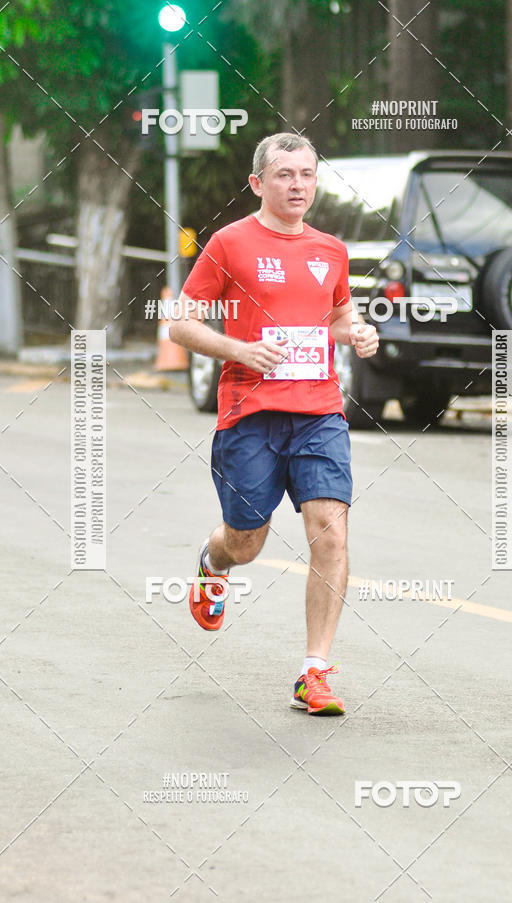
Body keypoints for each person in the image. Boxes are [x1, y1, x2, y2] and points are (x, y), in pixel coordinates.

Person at [170, 132, 378, 716]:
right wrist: (237, 349)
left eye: (307, 175)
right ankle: (214, 564)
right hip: (250, 416)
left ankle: (315, 673)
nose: (298, 186)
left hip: (319, 414)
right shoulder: (228, 244)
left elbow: (338, 315)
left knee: (331, 532)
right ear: (259, 183)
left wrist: (358, 332)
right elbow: (180, 325)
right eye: (285, 175)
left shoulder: (330, 250)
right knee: (247, 541)